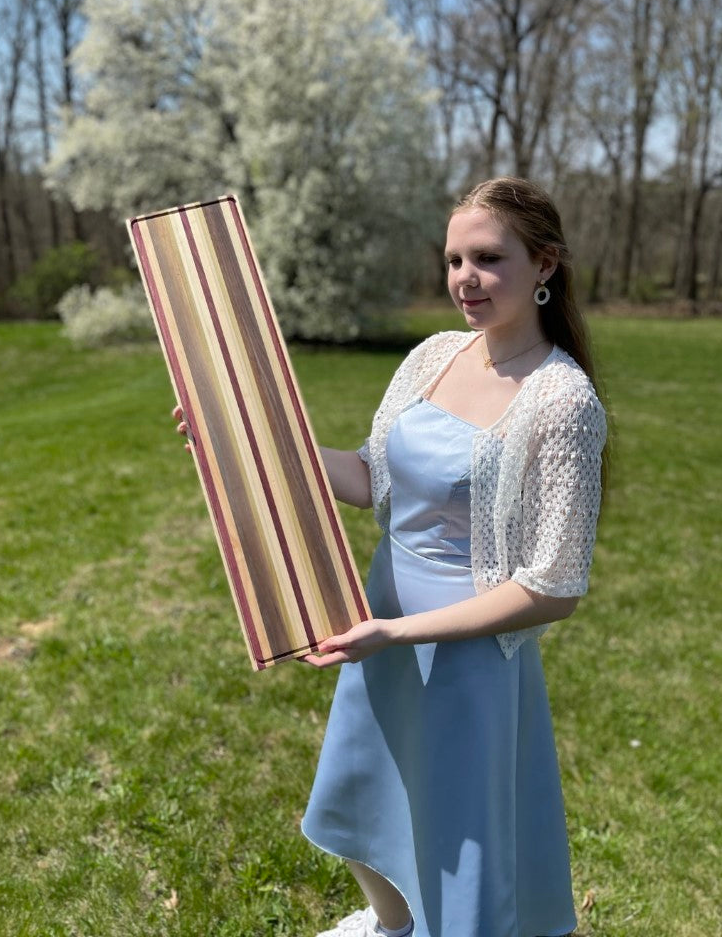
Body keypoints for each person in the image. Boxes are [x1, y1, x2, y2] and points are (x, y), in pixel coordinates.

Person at [174, 176, 608, 937]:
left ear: (544, 266)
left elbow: (553, 587)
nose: (464, 280)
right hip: (378, 617)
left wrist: (399, 633)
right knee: (361, 790)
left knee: (460, 831)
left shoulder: (563, 400)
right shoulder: (433, 355)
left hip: (468, 654)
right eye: (452, 260)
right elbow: (372, 477)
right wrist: (244, 439)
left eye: (487, 258)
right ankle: (391, 925)